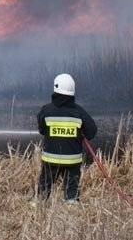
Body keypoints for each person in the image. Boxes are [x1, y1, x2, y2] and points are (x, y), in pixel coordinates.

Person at [36, 73, 97, 203]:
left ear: (55, 88)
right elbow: (91, 132)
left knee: (45, 185)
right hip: (72, 160)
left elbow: (41, 130)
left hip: (51, 158)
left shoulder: (46, 110)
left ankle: (40, 203)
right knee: (72, 188)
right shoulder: (79, 112)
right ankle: (71, 203)